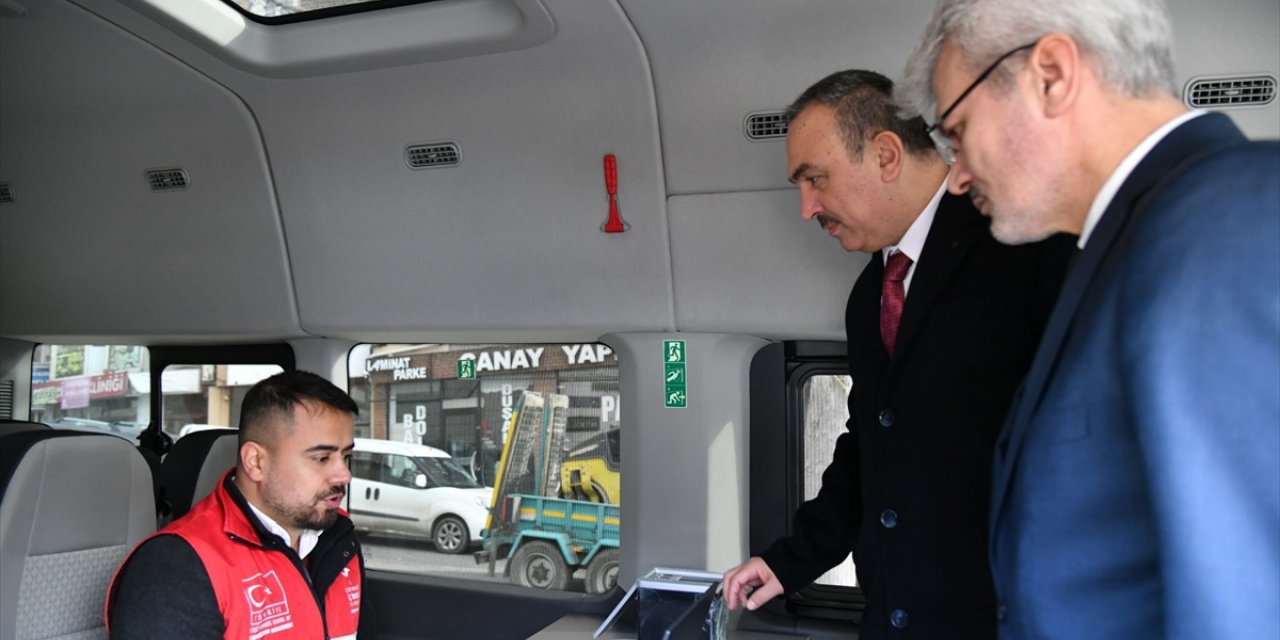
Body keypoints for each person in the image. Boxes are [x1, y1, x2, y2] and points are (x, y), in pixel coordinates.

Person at [899, 1, 1280, 638]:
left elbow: (1243, 602)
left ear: (1050, 74)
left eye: (957, 131)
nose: (957, 177)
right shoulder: (1130, 240)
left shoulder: (1223, 223)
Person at [722, 70, 1074, 638]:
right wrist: (790, 560)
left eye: (815, 179)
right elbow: (871, 442)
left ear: (886, 155)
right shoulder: (873, 294)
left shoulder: (1022, 247)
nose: (806, 207)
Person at [106, 370, 375, 639]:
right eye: (321, 458)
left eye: (346, 456)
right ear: (256, 462)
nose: (345, 475)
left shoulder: (339, 538)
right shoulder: (177, 566)